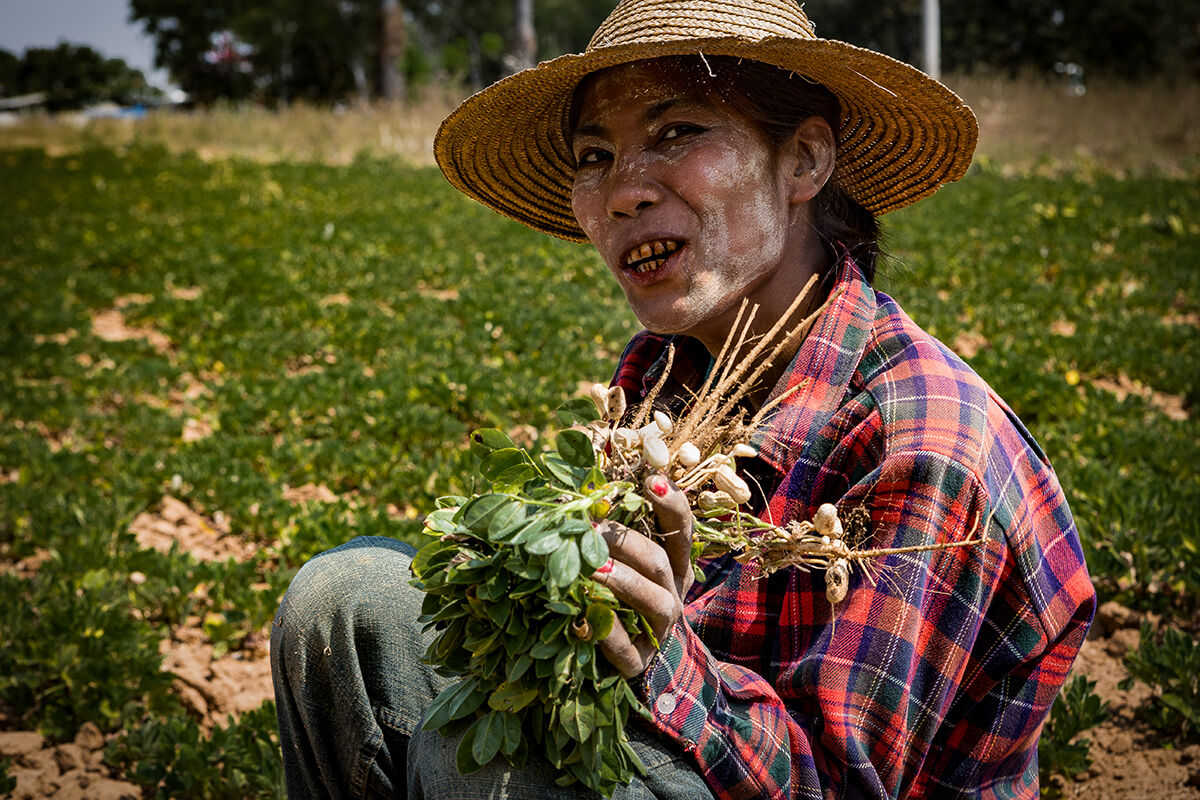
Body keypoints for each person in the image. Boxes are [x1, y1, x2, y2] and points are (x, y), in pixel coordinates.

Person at [270, 0, 1097, 798]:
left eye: (678, 132)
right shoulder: (670, 374)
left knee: (490, 756)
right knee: (342, 606)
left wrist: (660, 652)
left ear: (804, 161)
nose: (624, 189)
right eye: (594, 156)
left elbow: (836, 786)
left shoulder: (914, 439)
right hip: (696, 752)